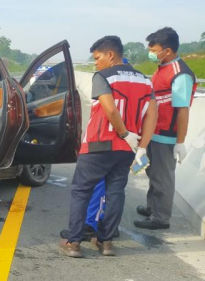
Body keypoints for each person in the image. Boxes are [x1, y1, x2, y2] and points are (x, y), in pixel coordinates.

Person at [60, 36, 157, 258]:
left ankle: (73, 242)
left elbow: (110, 110)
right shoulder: (145, 81)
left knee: (81, 192)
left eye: (97, 57)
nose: (96, 63)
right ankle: (106, 243)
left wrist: (122, 132)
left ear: (110, 55)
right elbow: (152, 115)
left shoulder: (103, 77)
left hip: (99, 145)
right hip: (127, 149)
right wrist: (141, 146)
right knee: (115, 193)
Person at [134, 27, 198, 230]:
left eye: (154, 49)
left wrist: (180, 141)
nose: (151, 53)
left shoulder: (180, 74)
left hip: (166, 135)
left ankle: (161, 218)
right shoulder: (162, 67)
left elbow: (182, 110)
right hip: (153, 132)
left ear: (167, 50)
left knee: (163, 177)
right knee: (152, 172)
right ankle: (152, 207)